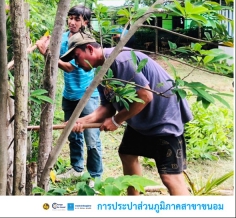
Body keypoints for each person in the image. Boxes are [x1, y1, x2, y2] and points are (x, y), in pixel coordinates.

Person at [59, 31, 192, 195]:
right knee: (127, 154)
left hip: (164, 119)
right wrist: (78, 121)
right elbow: (107, 108)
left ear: (90, 49)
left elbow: (145, 95)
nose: (76, 62)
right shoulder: (103, 72)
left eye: (77, 56)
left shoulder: (120, 59)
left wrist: (116, 121)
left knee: (170, 177)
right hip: (140, 119)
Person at [36, 5, 103, 184]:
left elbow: (69, 66)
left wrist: (47, 54)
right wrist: (44, 41)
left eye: (77, 19)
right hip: (69, 94)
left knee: (92, 138)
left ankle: (95, 176)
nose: (72, 22)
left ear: (85, 22)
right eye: (70, 18)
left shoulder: (85, 41)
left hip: (87, 95)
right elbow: (51, 41)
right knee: (72, 134)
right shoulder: (64, 37)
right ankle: (77, 168)